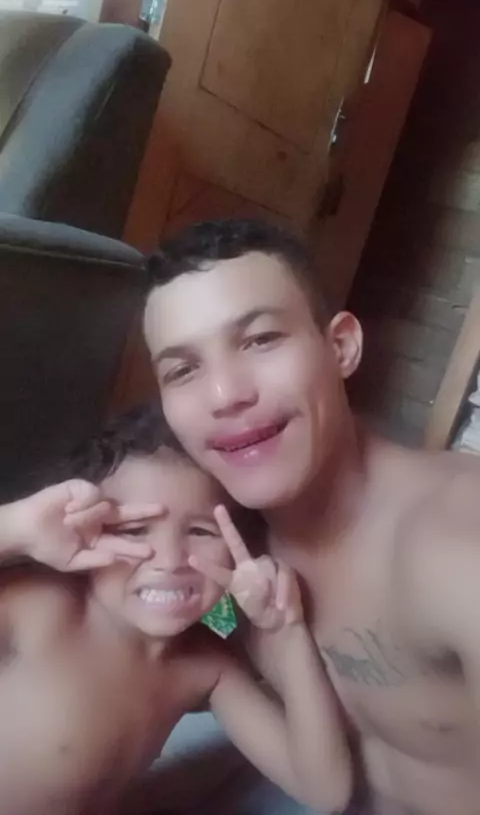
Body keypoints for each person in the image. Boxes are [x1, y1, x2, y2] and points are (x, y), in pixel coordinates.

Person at [144, 217, 480, 815]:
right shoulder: (227, 545)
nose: (225, 395)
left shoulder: (454, 543)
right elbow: (196, 640)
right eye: (183, 370)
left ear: (340, 347)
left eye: (260, 340)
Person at [0, 404, 350, 815]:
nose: (169, 561)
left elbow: (326, 791)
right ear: (82, 533)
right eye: (135, 530)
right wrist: (16, 529)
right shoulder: (39, 611)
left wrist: (288, 632)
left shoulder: (205, 667)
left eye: (201, 531)